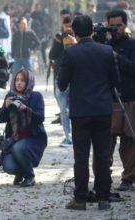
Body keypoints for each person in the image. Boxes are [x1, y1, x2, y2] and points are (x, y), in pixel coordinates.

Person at [58, 15, 119, 210]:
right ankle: (103, 198)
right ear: (92, 30)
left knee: (81, 157)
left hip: (80, 111)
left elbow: (61, 83)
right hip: (102, 109)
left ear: (73, 32)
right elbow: (116, 81)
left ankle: (81, 199)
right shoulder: (107, 51)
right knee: (102, 155)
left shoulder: (70, 53)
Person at [0, 68, 46, 187]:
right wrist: (6, 107)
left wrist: (26, 109)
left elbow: (40, 118)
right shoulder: (10, 96)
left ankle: (30, 177)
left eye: (22, 80)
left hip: (33, 138)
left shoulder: (36, 96)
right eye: (17, 80)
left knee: (18, 148)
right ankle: (22, 171)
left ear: (28, 82)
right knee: (8, 166)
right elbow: (0, 119)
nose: (19, 83)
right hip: (14, 138)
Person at [106, 9, 135, 191]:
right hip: (107, 101)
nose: (116, 29)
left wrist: (117, 57)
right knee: (105, 143)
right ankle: (103, 179)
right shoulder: (103, 45)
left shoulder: (132, 45)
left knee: (129, 143)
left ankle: (128, 178)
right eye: (112, 25)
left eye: (119, 25)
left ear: (125, 25)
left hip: (129, 99)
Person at [49, 16, 75, 147]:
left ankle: (76, 135)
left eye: (71, 26)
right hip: (61, 77)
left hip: (75, 79)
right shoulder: (58, 38)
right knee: (64, 109)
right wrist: (59, 43)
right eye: (66, 26)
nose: (69, 29)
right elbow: (51, 56)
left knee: (74, 109)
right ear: (63, 26)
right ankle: (67, 136)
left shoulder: (78, 38)